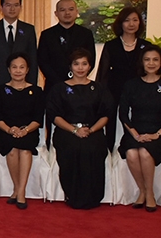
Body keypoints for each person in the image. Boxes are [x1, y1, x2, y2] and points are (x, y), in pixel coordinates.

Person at [46, 49, 112, 210]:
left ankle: (93, 196)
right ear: (70, 66)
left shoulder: (99, 88)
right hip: (67, 131)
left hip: (93, 131)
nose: (80, 68)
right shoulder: (59, 88)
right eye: (76, 64)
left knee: (92, 148)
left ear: (90, 66)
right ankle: (73, 194)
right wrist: (75, 130)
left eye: (84, 64)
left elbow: (105, 114)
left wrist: (91, 129)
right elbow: (54, 116)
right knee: (75, 148)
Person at [118, 45, 161, 213]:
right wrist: (135, 134)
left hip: (159, 133)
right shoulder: (131, 85)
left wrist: (156, 135)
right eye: (147, 59)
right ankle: (142, 191)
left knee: (145, 152)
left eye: (155, 59)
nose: (151, 63)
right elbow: (123, 113)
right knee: (131, 153)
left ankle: (150, 193)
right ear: (141, 62)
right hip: (135, 131)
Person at [0, 52, 44, 210]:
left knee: (25, 150)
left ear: (27, 70)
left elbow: (38, 118)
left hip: (29, 130)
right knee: (12, 150)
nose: (18, 70)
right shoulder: (0, 90)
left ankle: (20, 192)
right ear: (8, 69)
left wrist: (25, 130)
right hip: (6, 130)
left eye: (22, 67)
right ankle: (17, 188)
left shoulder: (36, 91)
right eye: (14, 67)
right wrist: (9, 129)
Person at [38, 0, 95, 143]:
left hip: (81, 86)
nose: (67, 13)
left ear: (77, 12)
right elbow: (43, 61)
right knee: (53, 124)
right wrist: (61, 83)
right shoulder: (47, 34)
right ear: (56, 13)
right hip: (54, 86)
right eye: (62, 10)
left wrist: (76, 80)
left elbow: (91, 59)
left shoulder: (86, 34)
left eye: (70, 9)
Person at [96, 7, 152, 150]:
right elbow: (103, 73)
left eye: (135, 20)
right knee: (111, 122)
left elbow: (150, 72)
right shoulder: (111, 45)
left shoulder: (146, 46)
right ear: (120, 23)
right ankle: (110, 150)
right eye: (127, 20)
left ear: (140, 23)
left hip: (139, 91)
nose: (131, 24)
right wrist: (101, 94)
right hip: (114, 90)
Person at [0, 0, 38, 106]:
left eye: (16, 5)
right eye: (8, 5)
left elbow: (33, 60)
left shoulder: (28, 30)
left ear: (21, 7)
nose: (12, 9)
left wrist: (31, 86)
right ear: (1, 8)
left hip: (22, 85)